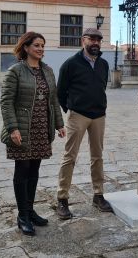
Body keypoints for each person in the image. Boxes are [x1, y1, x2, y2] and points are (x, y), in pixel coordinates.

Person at [0, 32, 65, 235]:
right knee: (23, 169)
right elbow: (6, 101)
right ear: (26, 47)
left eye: (42, 46)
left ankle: (30, 210)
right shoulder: (15, 71)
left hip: (41, 126)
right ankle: (22, 215)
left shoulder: (48, 70)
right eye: (36, 45)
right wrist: (13, 128)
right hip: (22, 128)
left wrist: (59, 124)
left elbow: (53, 100)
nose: (40, 49)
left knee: (35, 169)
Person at [56, 28, 113, 219]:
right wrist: (71, 108)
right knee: (69, 156)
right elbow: (61, 91)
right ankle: (62, 198)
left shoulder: (103, 64)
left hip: (99, 116)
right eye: (92, 39)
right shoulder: (71, 64)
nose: (95, 43)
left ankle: (98, 195)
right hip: (78, 115)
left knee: (97, 157)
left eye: (99, 39)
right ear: (83, 41)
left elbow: (102, 86)